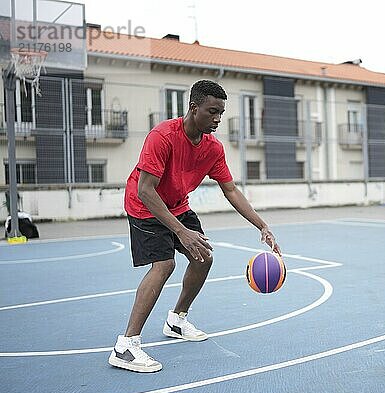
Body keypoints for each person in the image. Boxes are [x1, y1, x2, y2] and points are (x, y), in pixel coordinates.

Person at [108, 80, 282, 373]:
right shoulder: (162, 137)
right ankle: (126, 345)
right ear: (193, 108)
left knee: (204, 257)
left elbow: (231, 190)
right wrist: (180, 231)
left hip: (177, 203)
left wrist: (261, 225)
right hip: (143, 206)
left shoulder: (213, 148)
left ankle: (176, 320)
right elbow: (146, 190)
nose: (217, 119)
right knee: (164, 265)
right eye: (212, 111)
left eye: (221, 113)